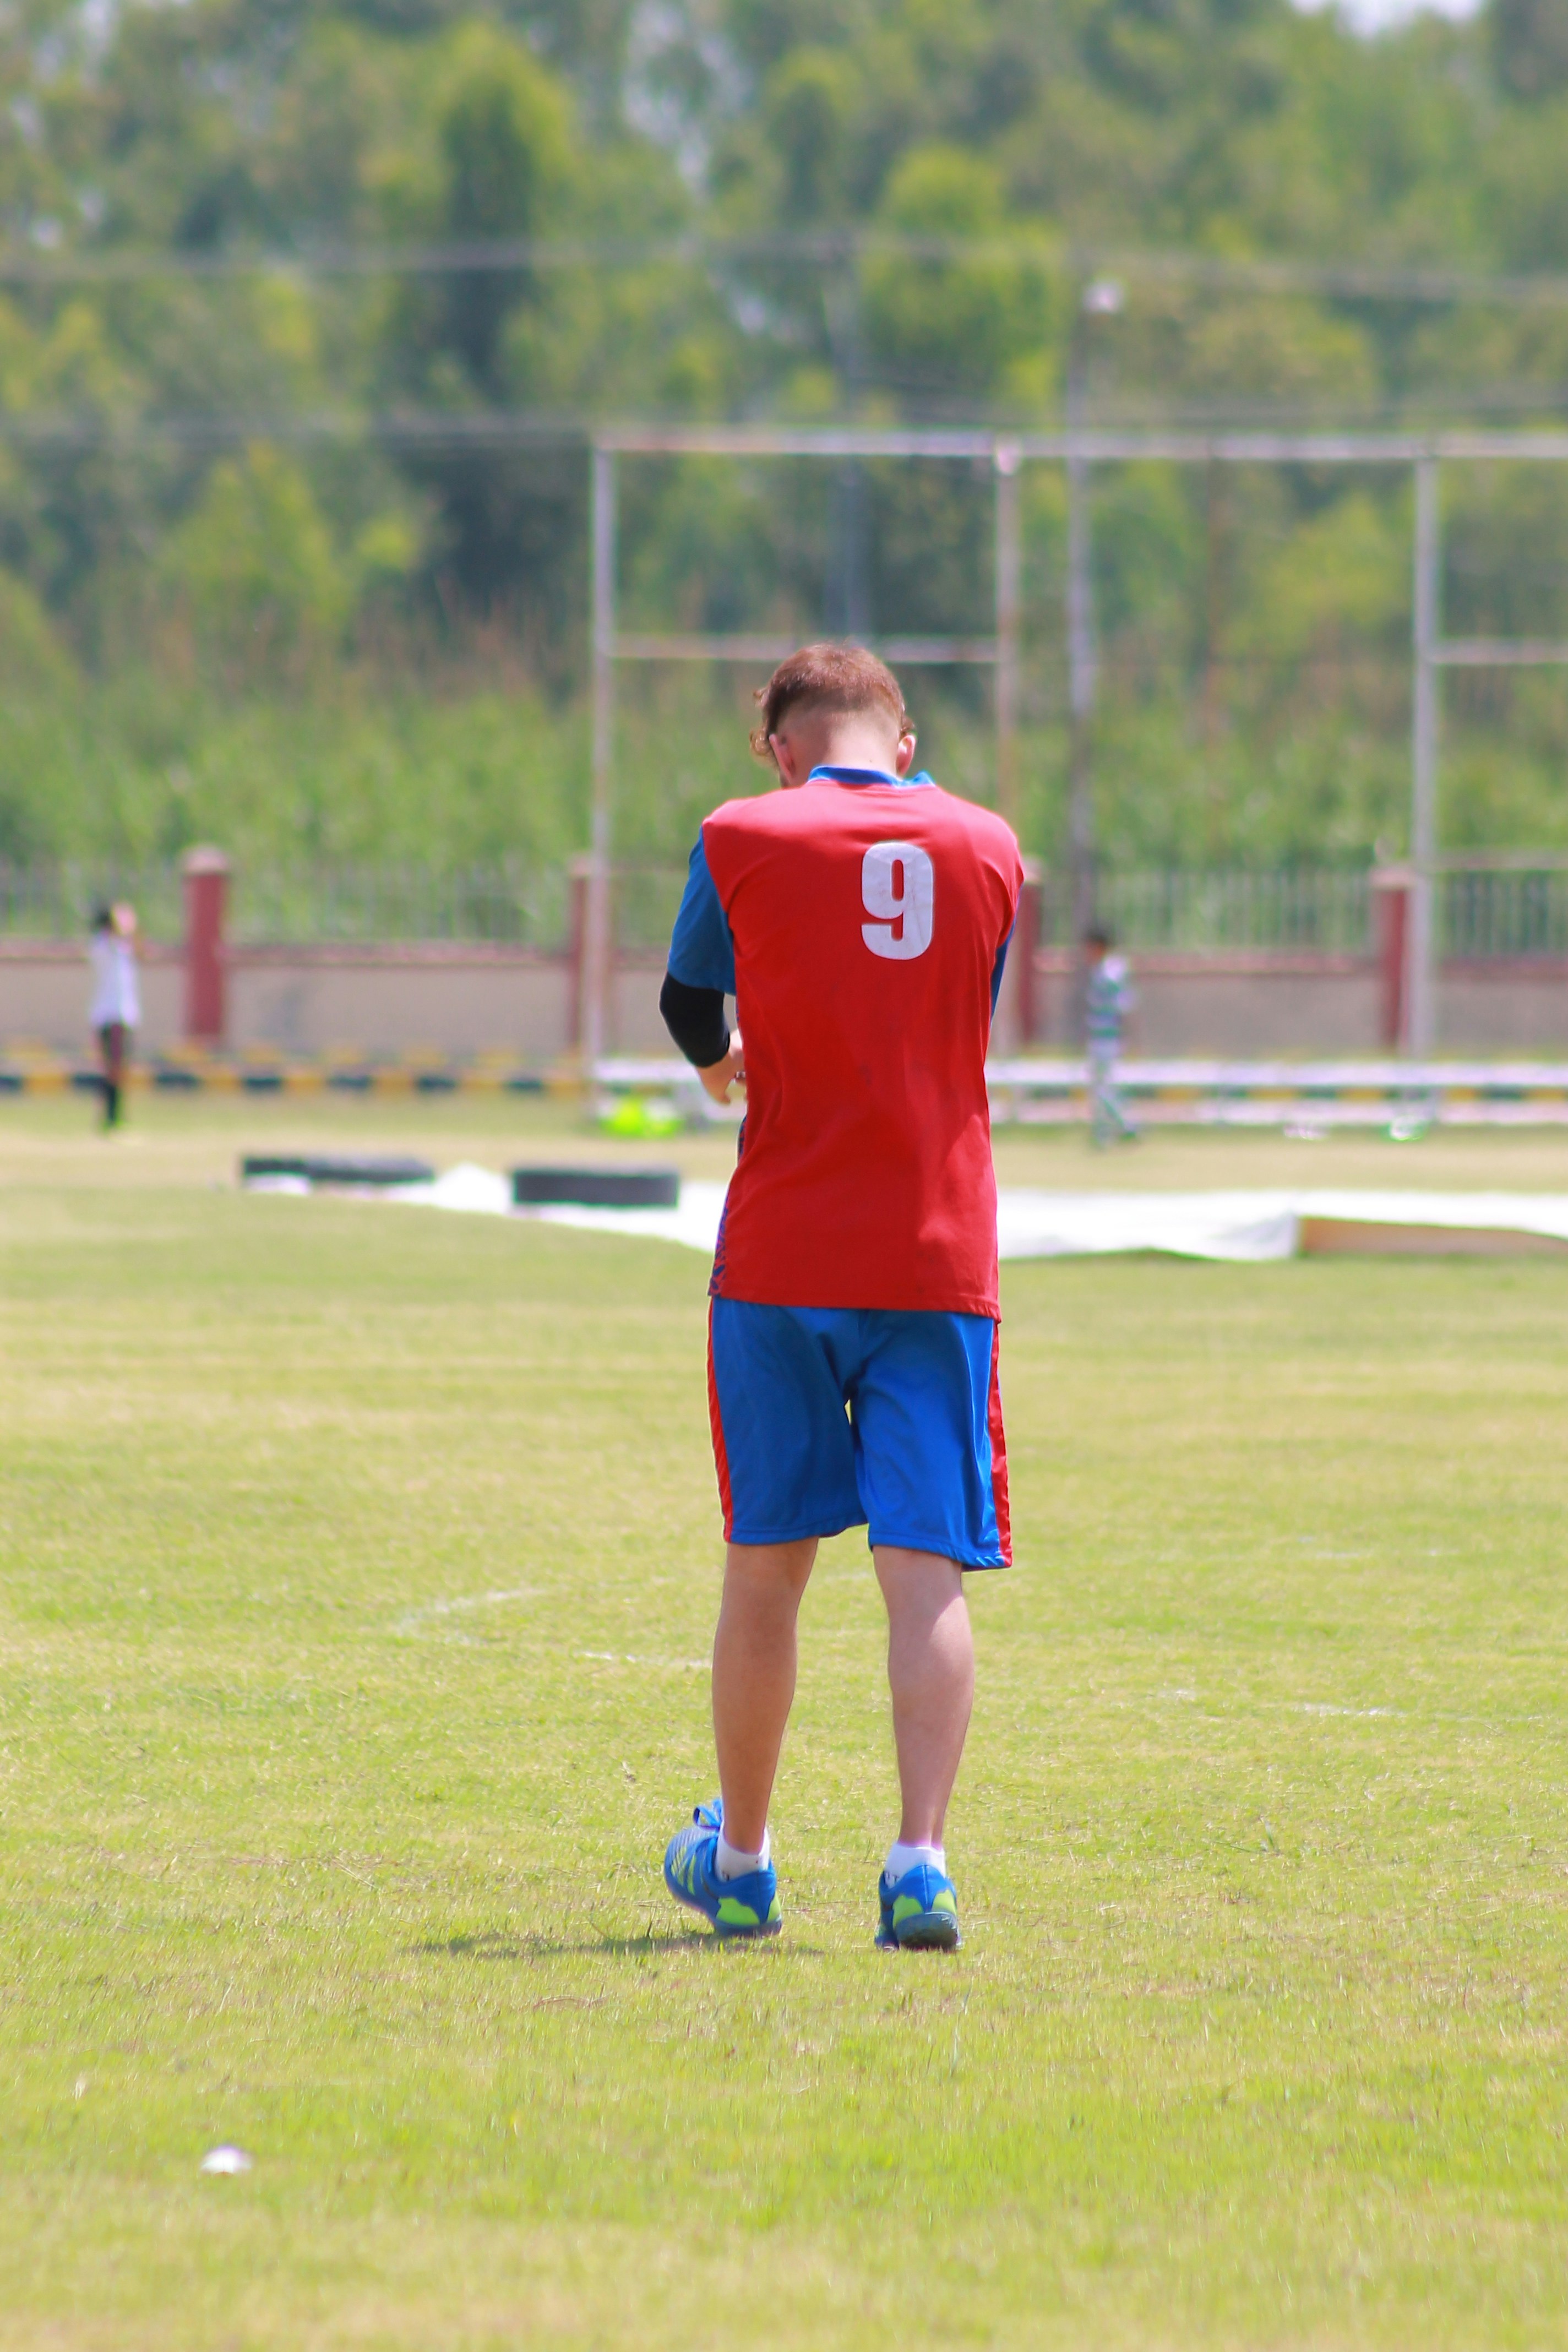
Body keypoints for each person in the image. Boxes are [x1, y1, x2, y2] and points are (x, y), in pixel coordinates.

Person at [656, 643, 1022, 1952]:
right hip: (931, 1254)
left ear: (776, 748)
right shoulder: (988, 849)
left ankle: (742, 1861)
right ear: (904, 739)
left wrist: (721, 1069)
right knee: (922, 1574)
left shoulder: (740, 834)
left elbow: (685, 995)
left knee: (766, 1567)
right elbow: (953, 1019)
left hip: (780, 1255)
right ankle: (918, 1862)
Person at [1083, 924, 1136, 1148]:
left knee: (1103, 1088)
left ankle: (1127, 1125)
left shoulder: (1110, 973)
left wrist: (1128, 1036)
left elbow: (1125, 1006)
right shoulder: (1101, 971)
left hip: (1108, 1038)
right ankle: (1103, 1133)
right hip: (1099, 1037)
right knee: (1100, 1087)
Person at [88, 902, 140, 1130]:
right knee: (113, 1067)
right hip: (110, 1013)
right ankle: (111, 1118)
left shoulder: (122, 946)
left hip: (123, 1013)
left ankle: (114, 1117)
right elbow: (126, 932)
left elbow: (140, 947)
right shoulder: (103, 945)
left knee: (120, 1067)